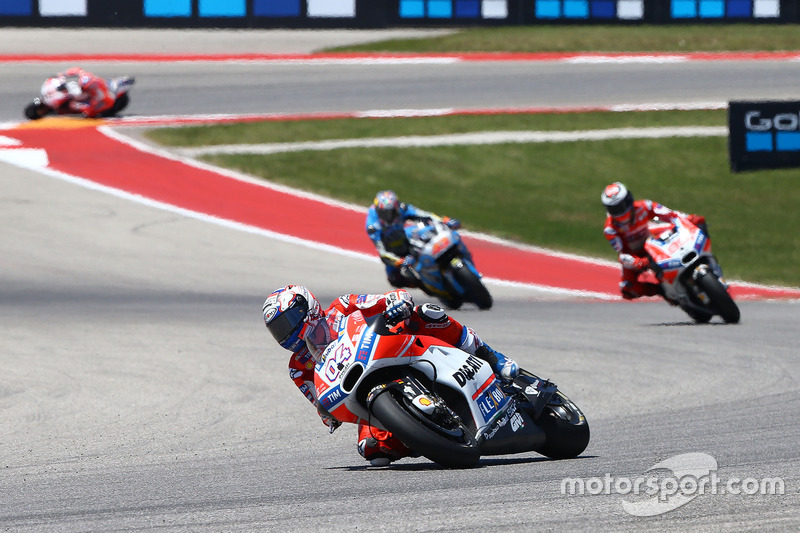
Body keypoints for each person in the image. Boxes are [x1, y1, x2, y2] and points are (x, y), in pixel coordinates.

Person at [262, 284, 519, 466]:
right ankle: (427, 435)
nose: (285, 334)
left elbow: (382, 299)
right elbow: (318, 401)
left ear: (305, 307)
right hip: (361, 387)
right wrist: (328, 415)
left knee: (427, 313)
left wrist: (396, 302)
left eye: (287, 323)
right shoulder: (298, 367)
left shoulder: (341, 307)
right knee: (373, 451)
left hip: (393, 349)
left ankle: (491, 356)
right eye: (278, 330)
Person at [601, 182, 706, 300]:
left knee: (697, 226)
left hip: (656, 241)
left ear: (629, 199)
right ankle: (661, 290)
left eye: (621, 205)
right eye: (614, 208)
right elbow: (622, 254)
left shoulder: (645, 206)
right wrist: (636, 262)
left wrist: (688, 218)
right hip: (636, 255)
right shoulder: (610, 229)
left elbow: (670, 214)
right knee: (627, 288)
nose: (620, 211)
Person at [365, 190, 462, 289]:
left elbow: (423, 214)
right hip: (391, 249)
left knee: (427, 231)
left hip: (405, 236)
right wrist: (400, 262)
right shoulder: (372, 226)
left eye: (391, 212)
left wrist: (444, 220)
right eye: (384, 213)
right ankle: (426, 286)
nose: (388, 216)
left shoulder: (402, 208)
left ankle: (450, 255)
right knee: (394, 279)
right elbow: (382, 252)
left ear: (396, 208)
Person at [40, 67, 115, 118]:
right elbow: (77, 70)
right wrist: (63, 74)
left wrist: (82, 108)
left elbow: (89, 109)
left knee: (90, 113)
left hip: (93, 99)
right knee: (74, 87)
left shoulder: (96, 94)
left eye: (84, 88)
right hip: (82, 92)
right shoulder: (82, 80)